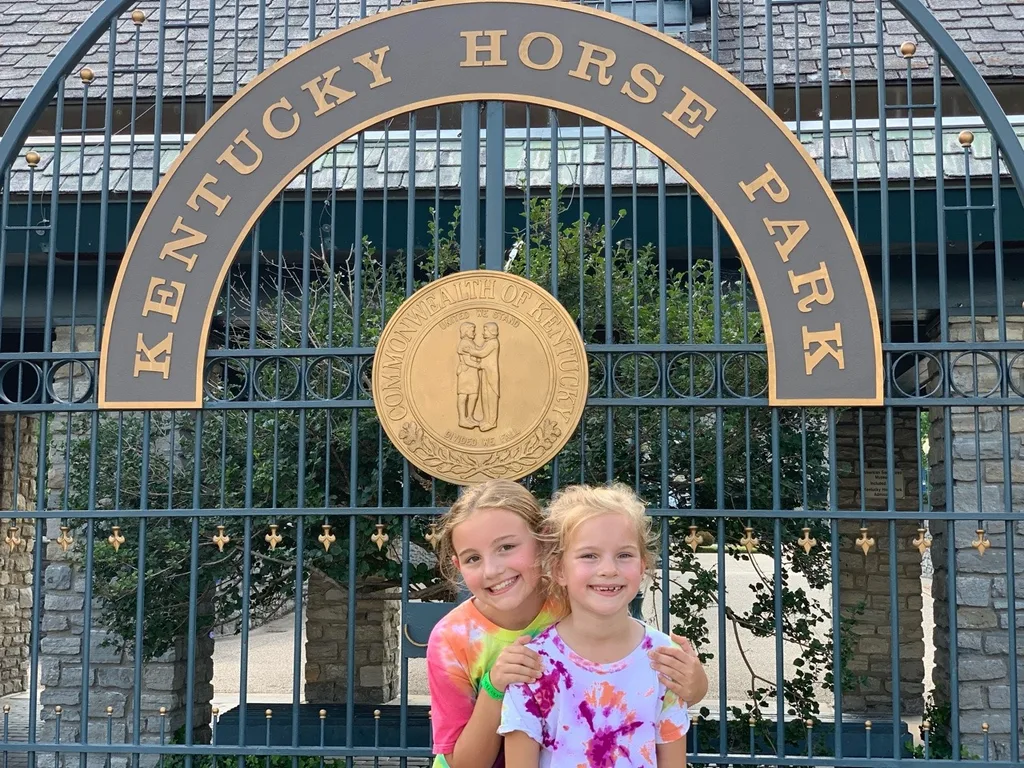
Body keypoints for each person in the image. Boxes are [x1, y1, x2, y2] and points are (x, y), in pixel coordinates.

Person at [426, 479, 706, 768]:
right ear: (458, 565)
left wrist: (693, 682)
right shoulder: (450, 639)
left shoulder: (576, 596)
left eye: (507, 546)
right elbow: (461, 764)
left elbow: (645, 677)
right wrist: (494, 686)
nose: (493, 570)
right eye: (473, 558)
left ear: (544, 544)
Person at [498, 483, 691, 767]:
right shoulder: (534, 665)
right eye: (589, 555)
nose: (609, 569)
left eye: (624, 555)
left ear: (643, 565)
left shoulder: (664, 658)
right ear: (559, 570)